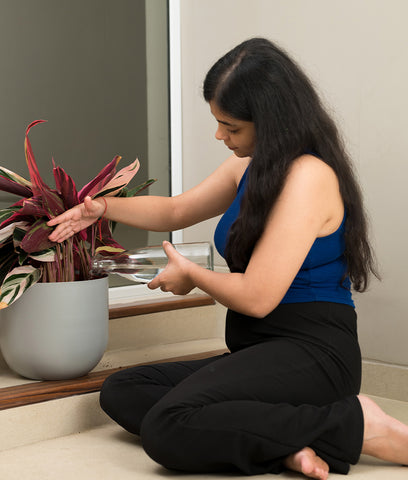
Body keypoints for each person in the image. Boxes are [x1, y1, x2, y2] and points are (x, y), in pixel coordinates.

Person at [47, 38, 408, 479]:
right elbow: (175, 210)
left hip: (313, 356)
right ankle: (292, 445)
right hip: (258, 352)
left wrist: (194, 276)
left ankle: (358, 424)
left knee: (167, 427)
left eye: (231, 126)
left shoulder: (308, 177)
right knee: (125, 390)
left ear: (271, 121)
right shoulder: (249, 168)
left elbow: (257, 298)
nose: (220, 136)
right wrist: (100, 207)